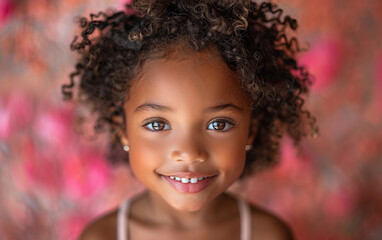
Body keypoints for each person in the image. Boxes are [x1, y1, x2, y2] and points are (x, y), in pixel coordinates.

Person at [63, 0, 318, 239]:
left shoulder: (268, 235)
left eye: (218, 124)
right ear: (123, 129)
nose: (189, 152)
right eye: (157, 124)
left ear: (251, 129)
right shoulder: (101, 237)